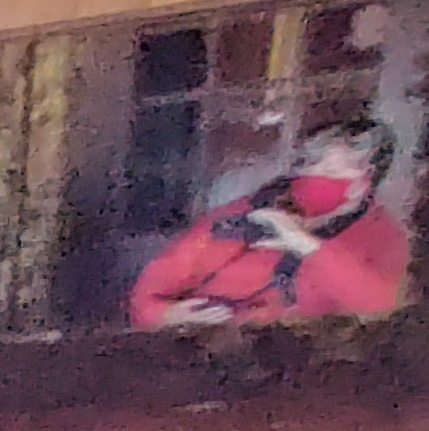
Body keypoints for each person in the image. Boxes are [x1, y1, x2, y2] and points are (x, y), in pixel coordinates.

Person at [127, 117, 410, 325]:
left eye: (340, 169)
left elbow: (381, 308)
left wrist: (307, 245)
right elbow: (147, 296)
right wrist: (168, 316)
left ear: (368, 180)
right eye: (313, 164)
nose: (319, 175)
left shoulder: (382, 235)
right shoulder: (242, 213)